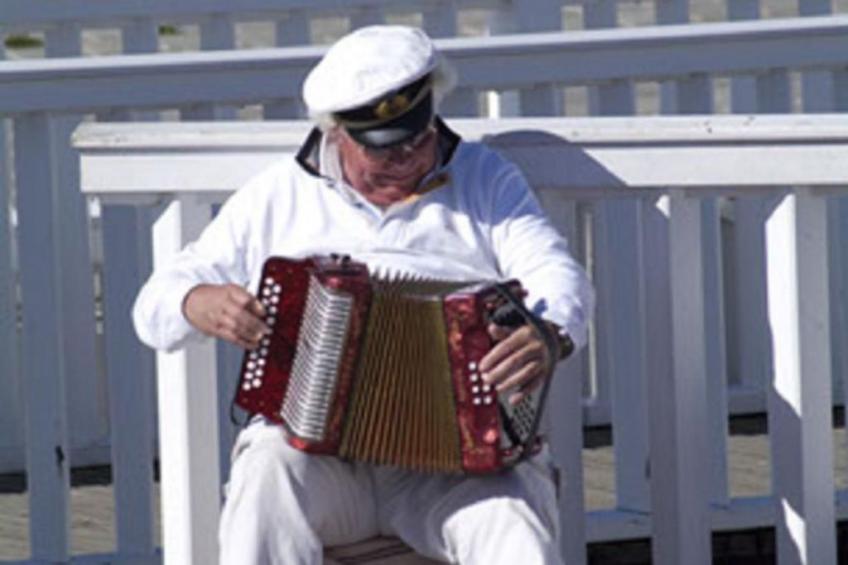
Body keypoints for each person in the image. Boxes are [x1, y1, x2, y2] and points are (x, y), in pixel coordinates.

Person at [133, 25, 593, 565]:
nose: (405, 158)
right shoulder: (279, 194)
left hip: (452, 469)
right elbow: (154, 304)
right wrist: (198, 301)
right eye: (385, 148)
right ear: (337, 134)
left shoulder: (486, 178)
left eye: (417, 139)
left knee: (511, 516)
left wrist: (548, 332)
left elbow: (555, 273)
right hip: (320, 464)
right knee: (267, 473)